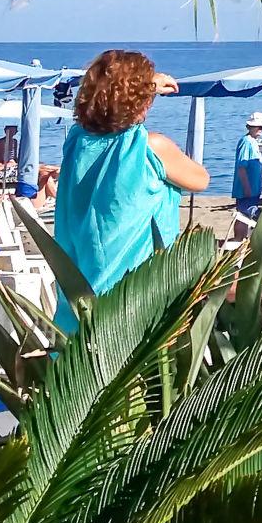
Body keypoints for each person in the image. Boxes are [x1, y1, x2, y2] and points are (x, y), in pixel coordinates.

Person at [52, 49, 208, 332]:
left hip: (76, 308)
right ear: (142, 100)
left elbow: (109, 100)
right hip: (133, 309)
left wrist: (143, 86)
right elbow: (201, 179)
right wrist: (147, 88)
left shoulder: (76, 144)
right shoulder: (149, 147)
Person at [233, 111, 262, 219]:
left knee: (245, 216)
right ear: (250, 127)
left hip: (254, 189)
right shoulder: (246, 142)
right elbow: (242, 167)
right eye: (259, 127)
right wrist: (247, 188)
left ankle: (243, 235)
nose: (261, 130)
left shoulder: (253, 142)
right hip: (247, 190)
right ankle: (240, 236)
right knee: (245, 214)